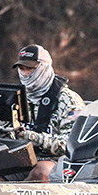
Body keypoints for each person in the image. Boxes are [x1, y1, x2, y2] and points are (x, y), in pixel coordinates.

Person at [12, 44, 85, 182]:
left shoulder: (68, 100)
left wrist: (31, 137)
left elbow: (72, 145)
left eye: (30, 68)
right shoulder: (15, 97)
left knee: (40, 173)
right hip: (21, 157)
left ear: (43, 67)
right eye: (22, 68)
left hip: (58, 162)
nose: (25, 74)